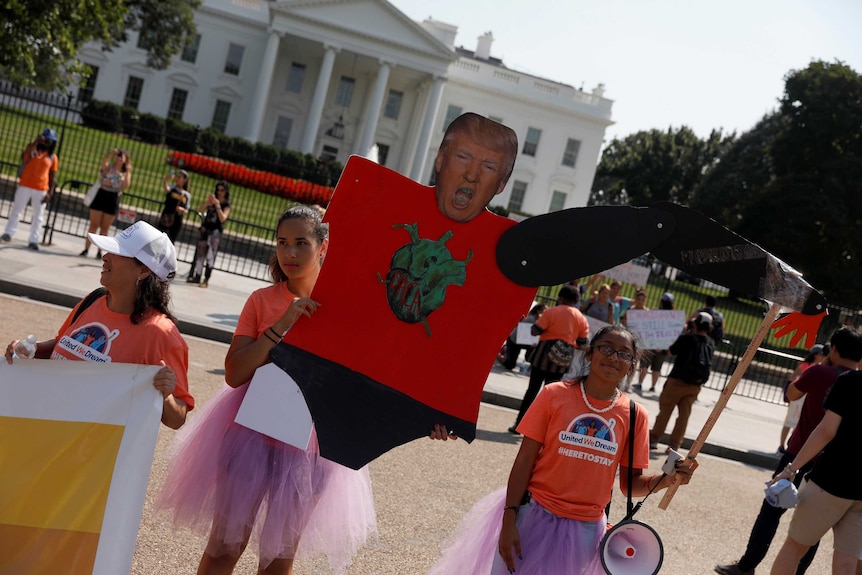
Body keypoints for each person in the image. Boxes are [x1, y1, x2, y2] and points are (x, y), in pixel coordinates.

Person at [156, 206, 376, 575]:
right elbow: (235, 373)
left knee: (278, 559)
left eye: (301, 243)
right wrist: (282, 325)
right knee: (225, 546)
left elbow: (364, 380)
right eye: (282, 243)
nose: (289, 253)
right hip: (250, 435)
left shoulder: (344, 307)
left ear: (323, 247)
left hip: (311, 447)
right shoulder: (261, 301)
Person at [428, 325, 698, 575]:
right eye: (605, 348)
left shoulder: (635, 415)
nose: (613, 357)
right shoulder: (554, 395)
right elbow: (524, 461)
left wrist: (669, 480)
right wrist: (509, 519)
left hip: (585, 533)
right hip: (532, 516)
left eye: (624, 354)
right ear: (590, 353)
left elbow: (631, 486)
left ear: (631, 366)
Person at [4, 220, 193, 429]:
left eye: (118, 253)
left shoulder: (161, 333)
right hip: (49, 428)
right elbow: (62, 345)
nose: (105, 257)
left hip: (90, 452)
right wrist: (32, 349)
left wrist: (165, 397)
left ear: (144, 271)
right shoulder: (93, 299)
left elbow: (177, 419)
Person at [715, 327, 862, 575]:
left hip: (807, 458)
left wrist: (821, 364)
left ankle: (747, 565)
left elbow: (791, 394)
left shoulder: (825, 374)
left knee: (774, 518)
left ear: (834, 349)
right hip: (847, 476)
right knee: (828, 546)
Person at [768, 368, 862, 575]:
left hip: (831, 479)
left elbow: (827, 430)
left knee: (794, 548)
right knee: (848, 559)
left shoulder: (850, 381)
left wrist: (792, 468)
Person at [508, 285, 589, 434]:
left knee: (532, 391)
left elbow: (535, 330)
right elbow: (582, 343)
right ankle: (542, 431)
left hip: (543, 356)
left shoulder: (551, 312)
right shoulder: (581, 318)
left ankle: (519, 424)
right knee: (553, 396)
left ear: (561, 298)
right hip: (562, 361)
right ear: (576, 300)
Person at [649, 311, 715, 451]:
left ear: (696, 324)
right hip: (695, 385)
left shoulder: (687, 338)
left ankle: (654, 439)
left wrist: (684, 332)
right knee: (684, 416)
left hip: (677, 380)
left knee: (665, 411)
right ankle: (674, 445)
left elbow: (670, 351)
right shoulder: (710, 342)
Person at [1, 128, 59, 251]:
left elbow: (52, 176)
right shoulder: (33, 150)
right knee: (17, 210)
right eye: (46, 140)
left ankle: (34, 239)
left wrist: (50, 192)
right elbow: (23, 156)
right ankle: (9, 233)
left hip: (41, 188)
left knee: (38, 216)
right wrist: (35, 142)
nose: (47, 143)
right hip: (25, 185)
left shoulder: (52, 157)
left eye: (50, 141)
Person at [80, 148, 132, 258]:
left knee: (105, 228)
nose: (118, 158)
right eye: (117, 155)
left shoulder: (124, 173)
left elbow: (125, 185)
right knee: (93, 225)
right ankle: (86, 249)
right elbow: (103, 164)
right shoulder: (109, 167)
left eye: (121, 156)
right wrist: (109, 154)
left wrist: (127, 170)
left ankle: (100, 252)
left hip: (113, 198)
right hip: (101, 194)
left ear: (125, 160)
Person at [777, 344, 825, 454]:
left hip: (806, 398)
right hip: (798, 398)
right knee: (789, 421)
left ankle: (791, 443)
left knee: (799, 422)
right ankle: (781, 445)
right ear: (816, 355)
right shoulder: (805, 365)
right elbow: (792, 377)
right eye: (822, 354)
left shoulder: (819, 367)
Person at [188, 180, 231, 287]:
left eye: (222, 190)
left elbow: (223, 218)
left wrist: (217, 206)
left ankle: (206, 280)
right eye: (218, 190)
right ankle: (197, 276)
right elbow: (200, 210)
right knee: (200, 254)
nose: (219, 192)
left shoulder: (226, 205)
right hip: (205, 230)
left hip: (215, 234)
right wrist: (208, 203)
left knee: (210, 256)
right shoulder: (212, 201)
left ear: (226, 191)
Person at [500, 302, 547, 371]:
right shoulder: (531, 319)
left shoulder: (540, 320)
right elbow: (522, 333)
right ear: (538, 311)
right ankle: (499, 356)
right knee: (510, 365)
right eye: (544, 311)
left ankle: (530, 362)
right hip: (515, 340)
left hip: (523, 341)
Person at [647, 292, 677, 393]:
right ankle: (652, 386)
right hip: (659, 344)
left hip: (654, 342)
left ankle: (643, 383)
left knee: (647, 364)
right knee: (656, 367)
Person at [621, 289, 649, 391]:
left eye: (643, 299)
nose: (640, 301)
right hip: (629, 338)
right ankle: (620, 381)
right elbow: (623, 320)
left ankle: (628, 384)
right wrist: (625, 321)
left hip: (640, 341)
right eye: (639, 299)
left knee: (634, 363)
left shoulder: (647, 312)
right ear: (636, 299)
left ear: (645, 300)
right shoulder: (630, 310)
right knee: (624, 359)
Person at [156, 169, 191, 243]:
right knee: (159, 237)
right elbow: (166, 187)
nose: (177, 179)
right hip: (167, 216)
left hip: (177, 219)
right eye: (176, 177)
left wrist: (182, 210)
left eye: (179, 177)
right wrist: (166, 180)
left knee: (171, 241)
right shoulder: (172, 188)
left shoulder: (187, 195)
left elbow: (186, 210)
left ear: (185, 180)